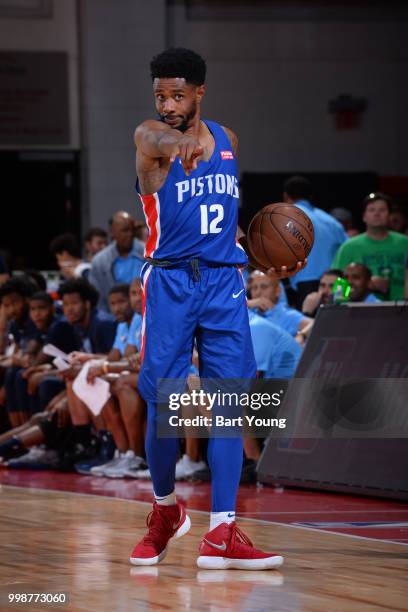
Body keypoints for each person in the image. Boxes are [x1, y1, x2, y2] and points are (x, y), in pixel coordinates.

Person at [129, 47, 306, 570]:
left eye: (178, 95)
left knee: (231, 401)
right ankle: (164, 513)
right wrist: (178, 140)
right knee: (164, 406)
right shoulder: (149, 139)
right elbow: (159, 138)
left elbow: (222, 219)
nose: (167, 104)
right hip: (169, 282)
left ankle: (222, 532)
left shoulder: (228, 140)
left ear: (200, 92)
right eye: (160, 94)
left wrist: (265, 256)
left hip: (225, 281)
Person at [283, 176, 348, 307]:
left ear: (285, 196)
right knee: (339, 323)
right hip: (337, 283)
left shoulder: (285, 217)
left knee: (309, 325)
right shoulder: (331, 221)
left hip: (304, 284)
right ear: (311, 196)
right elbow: (348, 251)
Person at [333, 192, 408, 300]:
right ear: (364, 216)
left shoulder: (405, 243)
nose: (377, 214)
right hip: (361, 311)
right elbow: (338, 288)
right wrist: (366, 284)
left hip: (402, 309)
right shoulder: (348, 247)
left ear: (389, 216)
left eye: (382, 210)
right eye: (372, 210)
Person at [89, 212, 145, 312]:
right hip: (114, 319)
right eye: (125, 230)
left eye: (132, 230)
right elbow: (98, 300)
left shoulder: (149, 253)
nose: (130, 234)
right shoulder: (99, 262)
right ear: (112, 232)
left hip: (146, 315)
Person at [247, 270, 312, 344]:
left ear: (277, 291)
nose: (258, 292)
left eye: (264, 287)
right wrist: (247, 304)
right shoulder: (248, 313)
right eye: (254, 288)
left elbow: (315, 324)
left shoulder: (285, 314)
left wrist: (301, 337)